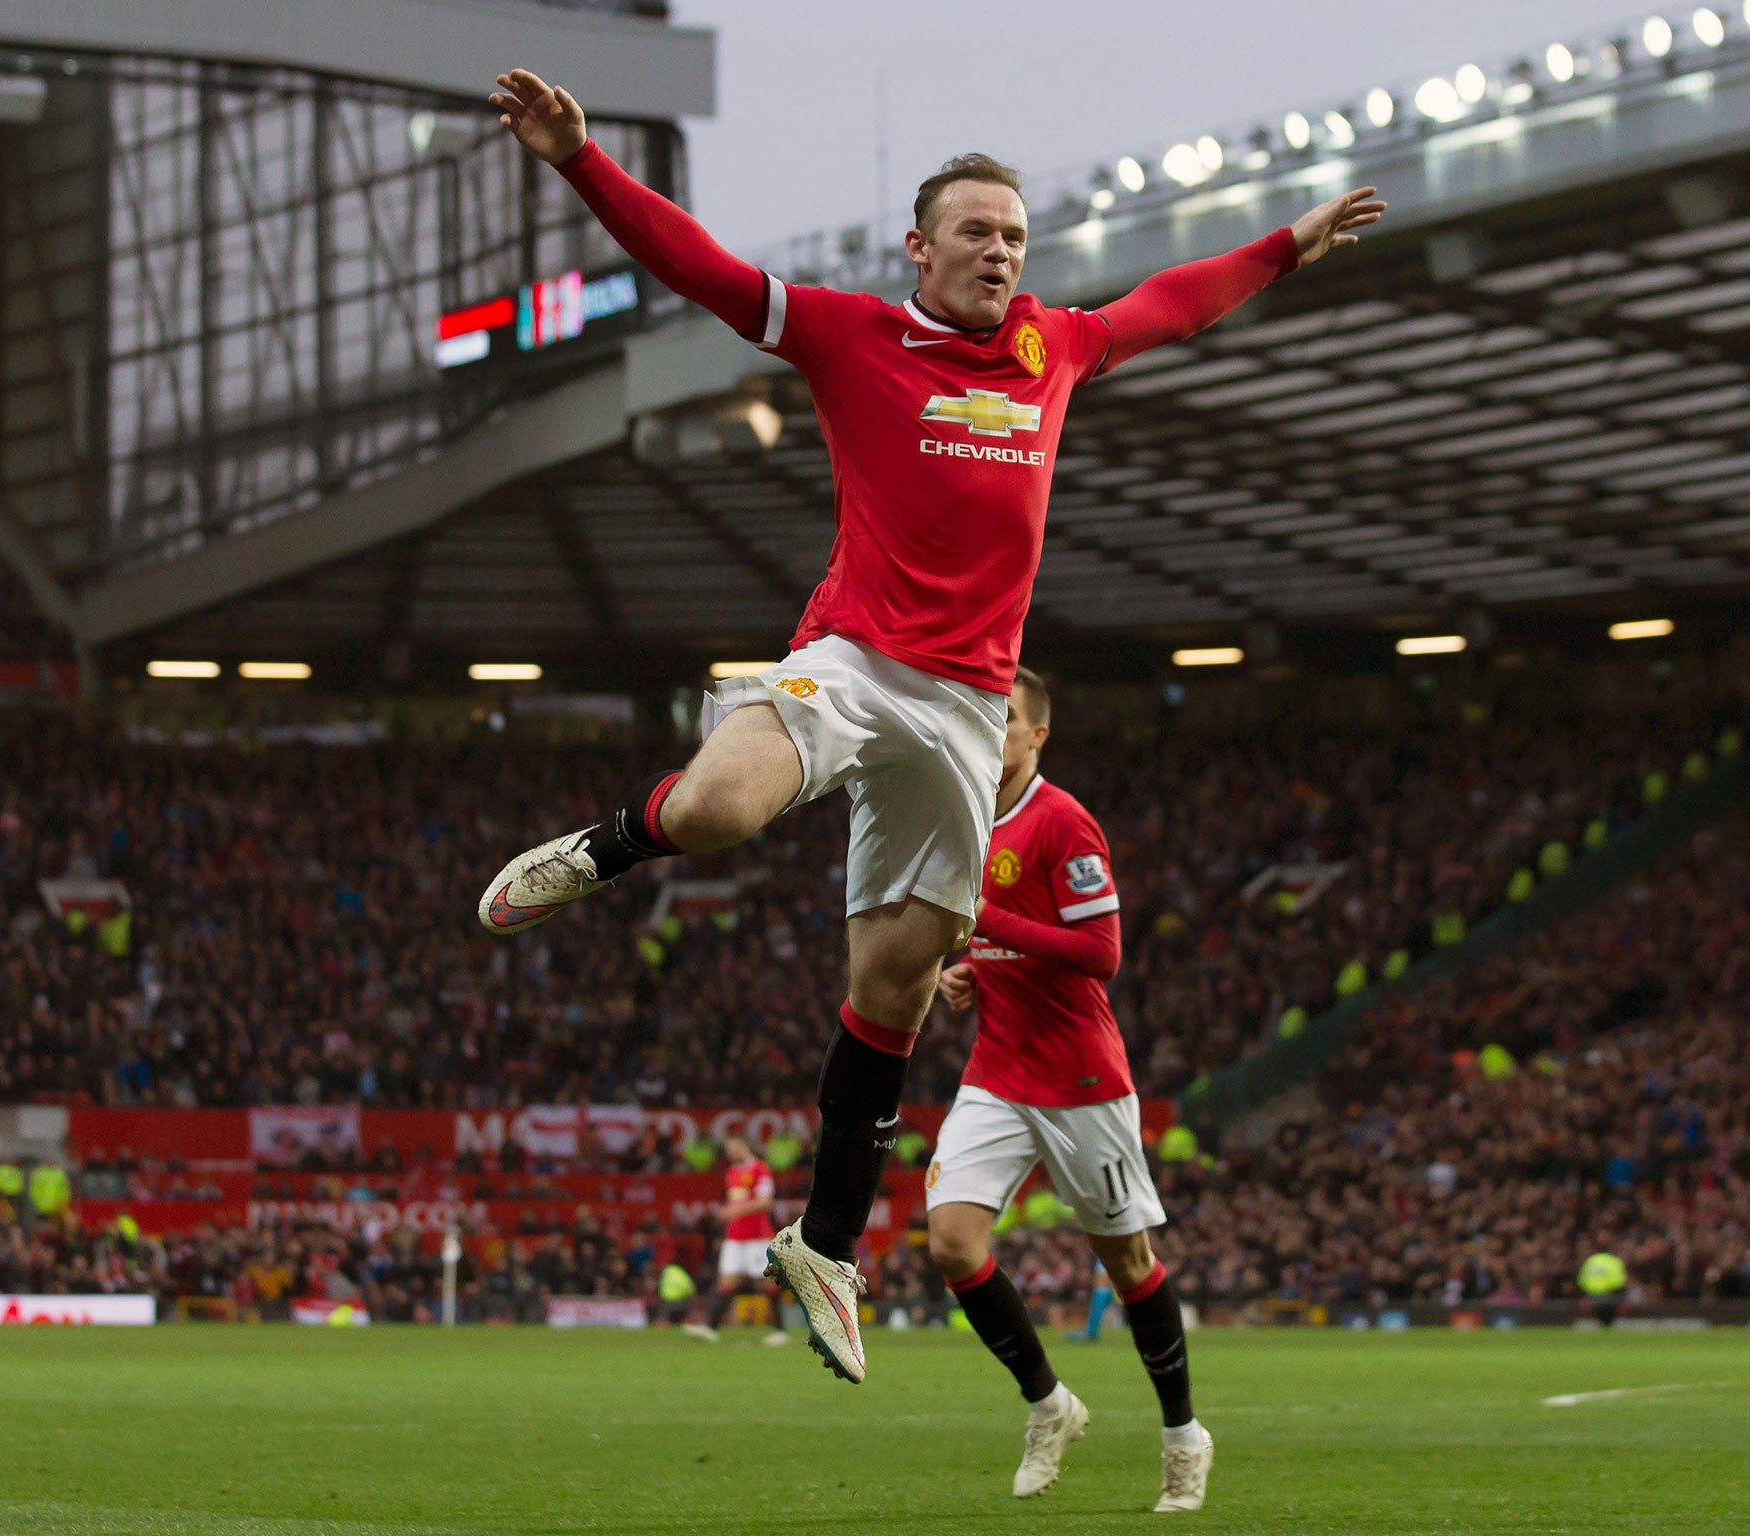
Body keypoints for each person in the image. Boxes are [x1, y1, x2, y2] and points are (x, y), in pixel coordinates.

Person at [479, 66, 1384, 1386]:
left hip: (969, 708)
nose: (1001, 253)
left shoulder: (1054, 349)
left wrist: (1283, 249)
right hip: (855, 660)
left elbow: (1169, 307)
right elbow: (707, 271)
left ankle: (826, 1245)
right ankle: (609, 848)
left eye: (1014, 235)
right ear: (921, 247)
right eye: (976, 232)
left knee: (893, 990)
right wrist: (578, 160)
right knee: (723, 812)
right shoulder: (852, 335)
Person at [926, 667, 1211, 1512]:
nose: (992, 726)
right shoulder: (969, 815)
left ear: (1037, 734)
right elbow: (1000, 934)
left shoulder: (1064, 820)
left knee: (1127, 1265)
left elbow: (1101, 954)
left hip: (1082, 1079)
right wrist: (971, 970)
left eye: (1006, 716)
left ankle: (1183, 1438)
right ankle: (1049, 1405)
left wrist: (990, 928)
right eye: (983, 712)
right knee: (950, 1243)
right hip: (998, 1071)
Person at [685, 1134, 789, 1344]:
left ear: (743, 1146)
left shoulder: (760, 1169)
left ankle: (780, 1330)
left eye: (733, 1147)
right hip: (734, 1236)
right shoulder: (731, 1172)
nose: (729, 1152)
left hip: (757, 1237)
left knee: (766, 1283)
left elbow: (765, 1202)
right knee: (725, 1282)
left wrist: (734, 1211)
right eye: (727, 1149)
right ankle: (711, 1328)